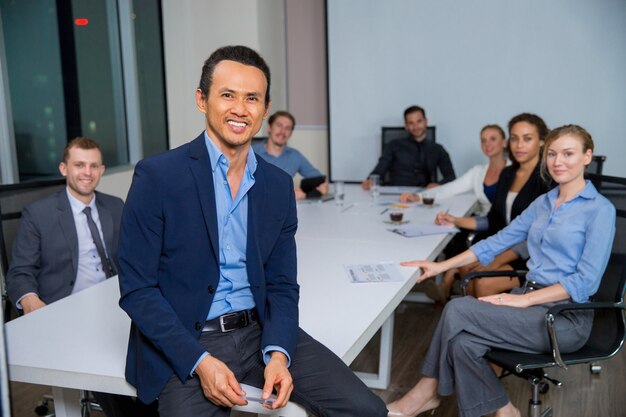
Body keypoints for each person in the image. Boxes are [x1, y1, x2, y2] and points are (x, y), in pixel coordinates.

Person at [117, 45, 387, 417]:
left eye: (252, 98)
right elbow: (138, 290)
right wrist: (200, 362)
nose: (240, 109)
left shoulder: (277, 186)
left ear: (265, 107)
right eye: (227, 95)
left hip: (259, 331)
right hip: (189, 339)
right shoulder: (158, 176)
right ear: (202, 100)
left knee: (367, 410)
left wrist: (278, 352)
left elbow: (281, 284)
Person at [387, 124, 615, 417]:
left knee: (457, 310)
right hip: (530, 303)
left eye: (568, 154)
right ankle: (505, 411)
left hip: (564, 318)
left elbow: (585, 282)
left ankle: (425, 393)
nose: (558, 162)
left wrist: (522, 300)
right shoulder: (544, 202)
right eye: (553, 154)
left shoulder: (600, 209)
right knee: (462, 345)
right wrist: (440, 265)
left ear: (587, 156)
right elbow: (499, 240)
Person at [6, 137, 156, 417]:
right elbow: (19, 271)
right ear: (64, 168)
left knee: (156, 350)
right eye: (79, 165)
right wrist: (30, 301)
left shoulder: (115, 205)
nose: (87, 172)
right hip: (66, 310)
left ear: (102, 170)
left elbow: (134, 256)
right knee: (105, 364)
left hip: (117, 303)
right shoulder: (38, 214)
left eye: (93, 166)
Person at [435, 113, 551, 299]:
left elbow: (538, 236)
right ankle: (471, 320)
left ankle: (482, 323)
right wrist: (455, 220)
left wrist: (496, 261)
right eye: (515, 138)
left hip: (530, 256)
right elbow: (493, 220)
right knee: (466, 266)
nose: (519, 145)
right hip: (502, 246)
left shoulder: (547, 180)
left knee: (483, 280)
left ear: (542, 142)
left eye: (527, 139)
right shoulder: (507, 174)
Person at [400, 124, 509, 215]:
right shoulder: (478, 172)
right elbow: (451, 188)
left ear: (504, 142)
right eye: (483, 140)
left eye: (493, 139)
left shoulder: (515, 171)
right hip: (487, 225)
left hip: (509, 228)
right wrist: (418, 197)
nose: (487, 144)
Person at [362, 105, 456, 189]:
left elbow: (451, 177)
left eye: (419, 121)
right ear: (406, 126)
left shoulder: (437, 149)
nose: (415, 127)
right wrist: (370, 181)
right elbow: (379, 171)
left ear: (426, 121)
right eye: (411, 123)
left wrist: (438, 185)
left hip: (423, 196)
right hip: (396, 196)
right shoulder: (393, 145)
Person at [252, 110, 328, 199]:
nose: (282, 131)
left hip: (284, 209)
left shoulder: (295, 156)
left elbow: (320, 181)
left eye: (287, 128)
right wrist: (289, 195)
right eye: (279, 125)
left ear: (291, 133)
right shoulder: (251, 152)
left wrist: (308, 194)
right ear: (269, 128)